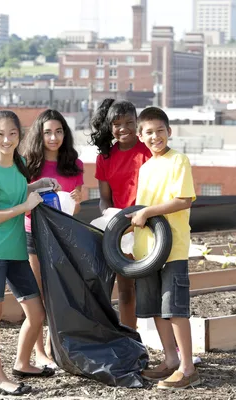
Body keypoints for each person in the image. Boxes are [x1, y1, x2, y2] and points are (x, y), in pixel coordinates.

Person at [0, 110, 61, 396]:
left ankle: (23, 363)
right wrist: (24, 208)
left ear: (19, 137)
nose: (6, 140)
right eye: (0, 134)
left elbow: (21, 192)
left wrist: (41, 185)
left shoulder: (21, 164)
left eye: (12, 134)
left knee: (36, 313)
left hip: (16, 253)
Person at [127, 107, 200, 390]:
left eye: (160, 130)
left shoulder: (178, 161)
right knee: (157, 308)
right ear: (140, 136)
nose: (155, 136)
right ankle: (170, 360)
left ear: (169, 132)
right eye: (149, 132)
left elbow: (184, 200)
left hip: (173, 249)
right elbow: (141, 210)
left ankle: (188, 367)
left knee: (175, 308)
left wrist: (146, 213)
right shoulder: (145, 168)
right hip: (147, 250)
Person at [22, 109, 84, 366]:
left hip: (63, 235)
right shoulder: (27, 164)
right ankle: (39, 352)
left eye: (59, 131)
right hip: (33, 233)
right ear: (39, 134)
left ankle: (52, 346)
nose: (53, 137)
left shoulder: (75, 164)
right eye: (47, 132)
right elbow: (21, 202)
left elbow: (75, 207)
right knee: (37, 293)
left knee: (57, 291)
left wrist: (78, 200)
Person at [89, 98, 152, 330]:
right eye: (117, 123)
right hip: (121, 229)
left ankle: (168, 344)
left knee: (152, 288)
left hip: (149, 225)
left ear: (137, 123)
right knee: (126, 290)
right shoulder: (104, 157)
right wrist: (112, 218)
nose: (123, 128)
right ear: (110, 126)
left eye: (129, 122)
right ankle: (130, 338)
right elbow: (104, 199)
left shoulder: (149, 152)